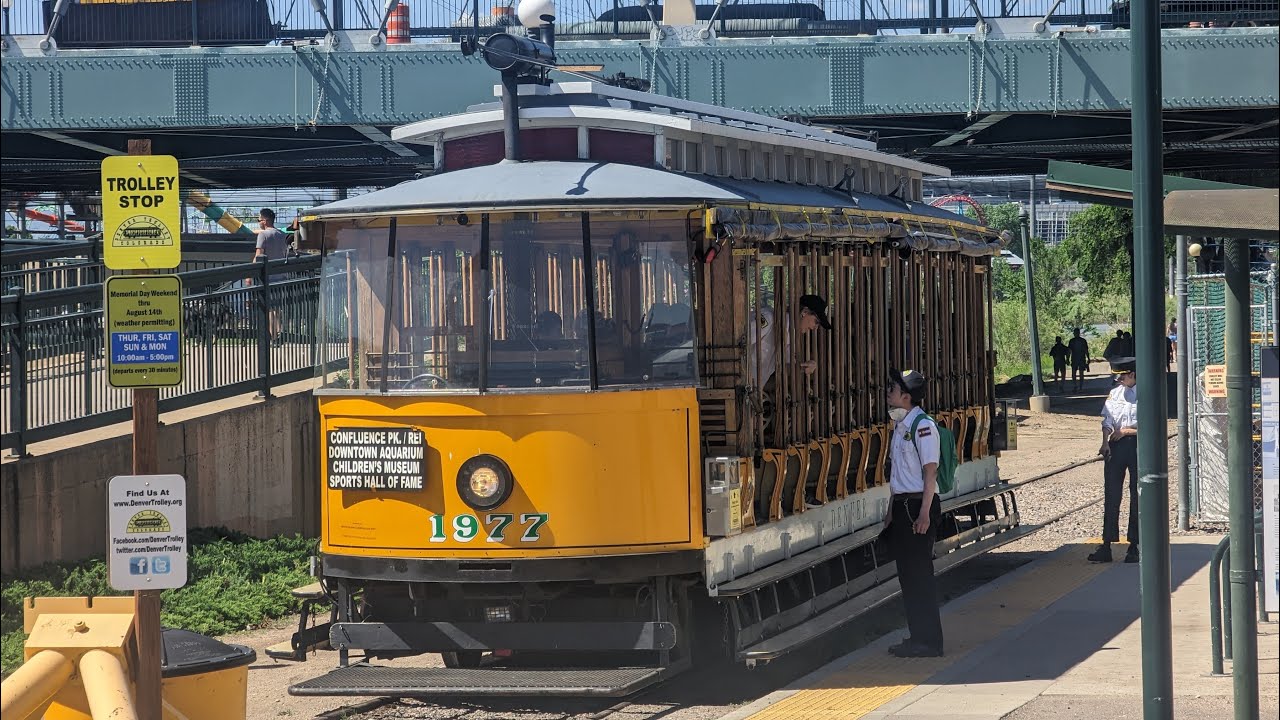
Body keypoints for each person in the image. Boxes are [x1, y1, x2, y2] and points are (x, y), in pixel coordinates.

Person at [882, 368, 944, 657]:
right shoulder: (901, 426)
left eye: (893, 390)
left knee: (920, 576)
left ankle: (930, 642)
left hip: (918, 506)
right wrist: (890, 511)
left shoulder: (923, 426)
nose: (889, 395)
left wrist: (925, 514)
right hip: (902, 505)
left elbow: (930, 473)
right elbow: (897, 474)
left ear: (906, 397)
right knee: (907, 576)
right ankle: (916, 636)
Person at [1089, 357, 1140, 564]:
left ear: (1133, 375)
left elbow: (1152, 422)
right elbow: (1107, 419)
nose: (1119, 379)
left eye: (1123, 375)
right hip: (1116, 446)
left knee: (1137, 495)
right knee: (1111, 495)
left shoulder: (1145, 393)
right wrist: (1105, 441)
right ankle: (1107, 544)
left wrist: (1126, 431)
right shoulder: (1115, 393)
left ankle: (1134, 545)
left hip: (1137, 445)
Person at [252, 208, 291, 345]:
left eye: (259, 220)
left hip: (268, 277)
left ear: (265, 220)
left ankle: (273, 337)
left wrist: (250, 273)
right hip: (282, 276)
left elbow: (259, 255)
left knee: (269, 309)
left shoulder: (263, 235)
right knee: (277, 308)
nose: (258, 223)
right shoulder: (281, 235)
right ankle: (279, 332)